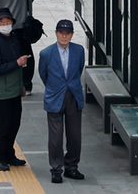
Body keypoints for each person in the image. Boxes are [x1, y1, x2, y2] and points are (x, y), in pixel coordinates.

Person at [38, 19, 86, 184]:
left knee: (74, 135)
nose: (64, 36)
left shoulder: (79, 51)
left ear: (72, 35)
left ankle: (71, 166)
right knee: (55, 137)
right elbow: (43, 74)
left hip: (73, 96)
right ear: (56, 33)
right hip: (55, 97)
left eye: (67, 33)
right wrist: (53, 88)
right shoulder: (46, 53)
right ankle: (56, 169)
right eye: (61, 33)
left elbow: (79, 70)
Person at [0, 8, 28, 172]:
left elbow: (19, 68)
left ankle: (9, 154)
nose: (5, 25)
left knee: (14, 124)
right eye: (2, 23)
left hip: (15, 91)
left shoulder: (15, 39)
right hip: (1, 94)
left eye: (7, 22)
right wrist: (16, 63)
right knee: (1, 127)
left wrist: (21, 84)